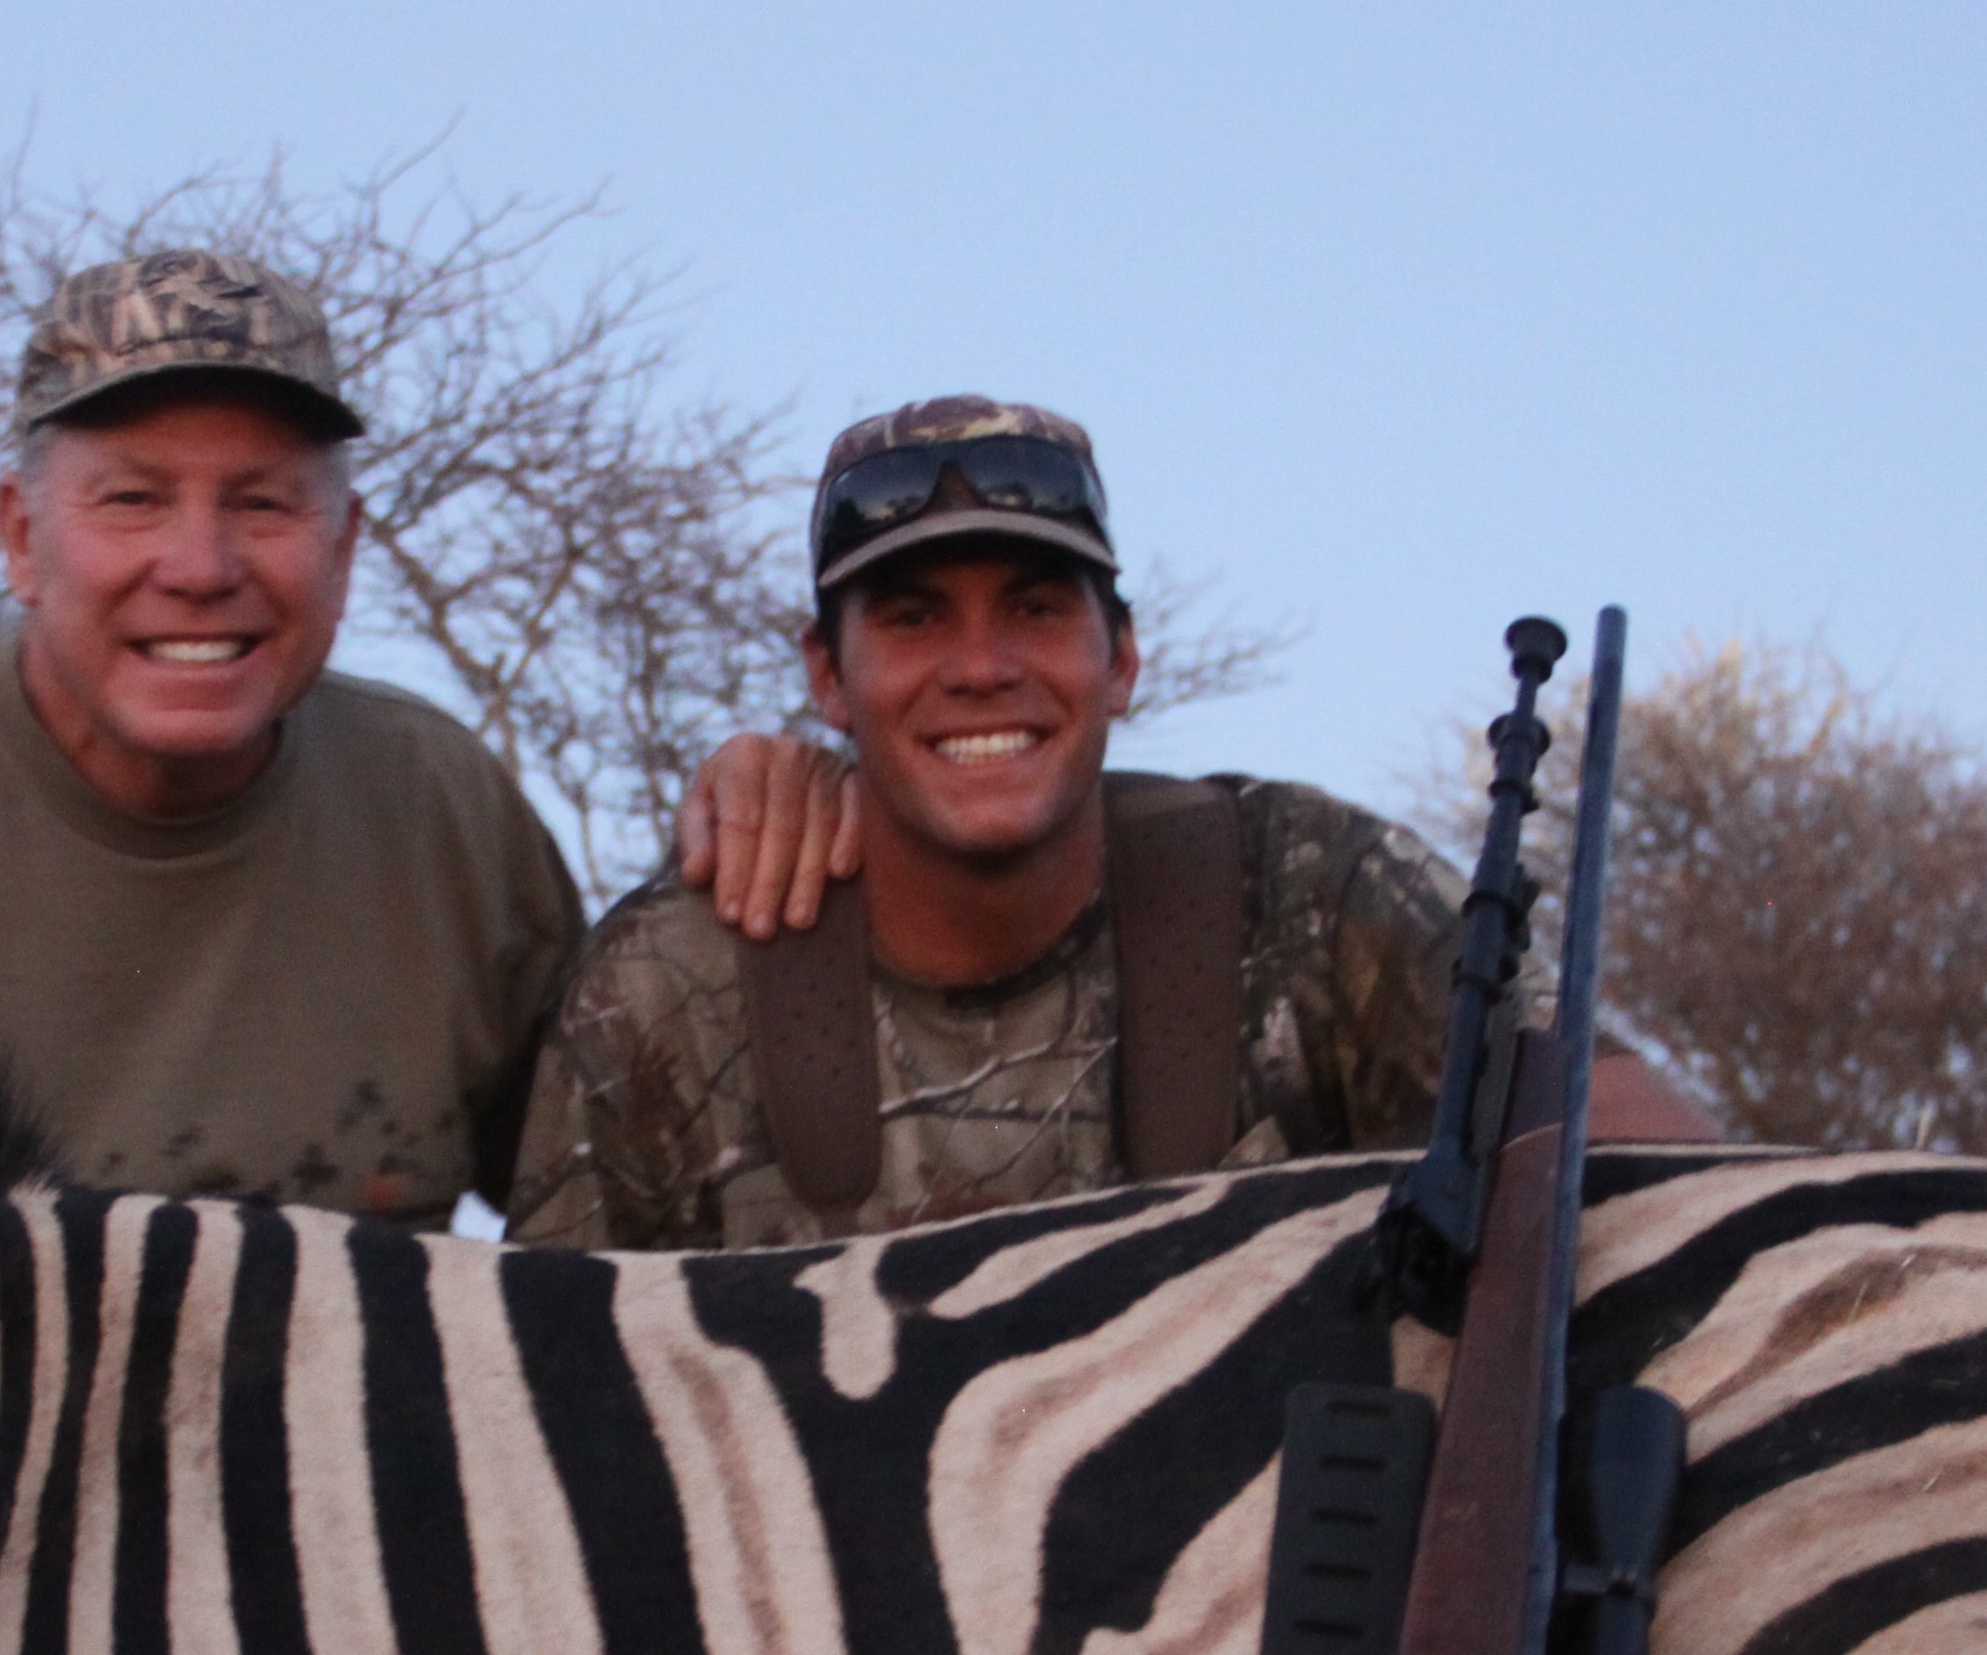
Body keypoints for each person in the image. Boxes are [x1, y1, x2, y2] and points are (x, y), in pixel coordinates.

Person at [0, 248, 847, 1229]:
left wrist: (817, 807)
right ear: (19, 538)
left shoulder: (439, 806)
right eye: (132, 500)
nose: (202, 568)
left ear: (343, 549)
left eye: (263, 505)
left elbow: (633, 1191)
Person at [506, 396, 1716, 1250]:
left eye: (1035, 609)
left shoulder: (1308, 891)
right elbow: (551, 1407)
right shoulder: (668, 983)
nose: (981, 668)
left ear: (1124, 659)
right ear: (826, 676)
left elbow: (1674, 1181)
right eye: (916, 618)